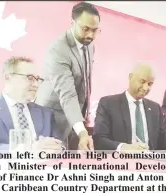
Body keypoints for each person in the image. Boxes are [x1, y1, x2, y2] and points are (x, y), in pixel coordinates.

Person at [35, 2, 101, 150]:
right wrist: (82, 132)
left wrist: (84, 118)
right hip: (52, 119)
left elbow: (84, 82)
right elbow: (67, 93)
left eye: (95, 30)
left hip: (76, 119)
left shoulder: (90, 45)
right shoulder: (58, 49)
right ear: (72, 23)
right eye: (86, 29)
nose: (91, 35)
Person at [93, 64, 166, 151]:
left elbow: (161, 141)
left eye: (150, 84)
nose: (146, 88)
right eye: (142, 82)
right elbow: (99, 139)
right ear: (130, 77)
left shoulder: (154, 108)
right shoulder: (109, 103)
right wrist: (123, 148)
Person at [0, 57, 63, 151]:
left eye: (38, 79)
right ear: (7, 77)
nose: (36, 84)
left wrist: (58, 149)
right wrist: (27, 150)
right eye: (30, 78)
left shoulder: (46, 113)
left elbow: (60, 145)